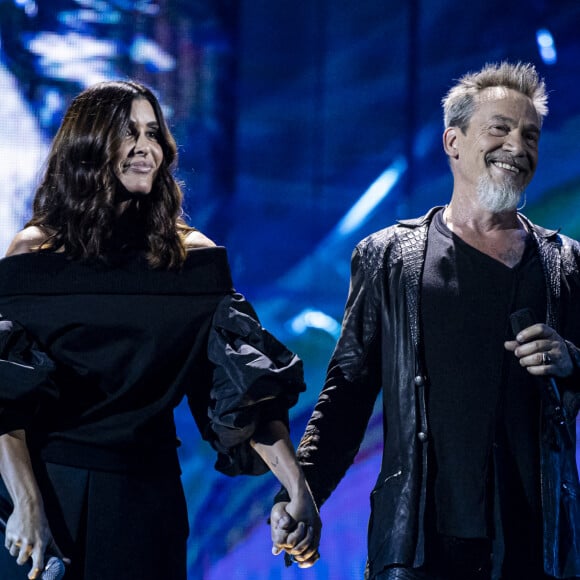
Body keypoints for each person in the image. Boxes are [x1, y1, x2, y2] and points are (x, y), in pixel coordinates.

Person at [0, 80, 320, 580]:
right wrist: (25, 504)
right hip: (42, 497)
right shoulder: (35, 254)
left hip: (145, 500)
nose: (146, 147)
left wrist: (299, 491)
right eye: (128, 133)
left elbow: (242, 393)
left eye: (153, 133)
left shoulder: (192, 260)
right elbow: (4, 397)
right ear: (87, 147)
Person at [271, 61, 580, 579]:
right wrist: (301, 493)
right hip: (418, 546)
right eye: (499, 129)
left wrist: (573, 361)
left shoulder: (566, 264)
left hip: (533, 548)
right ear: (453, 142)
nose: (518, 147)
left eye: (530, 135)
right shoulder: (389, 257)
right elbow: (347, 392)